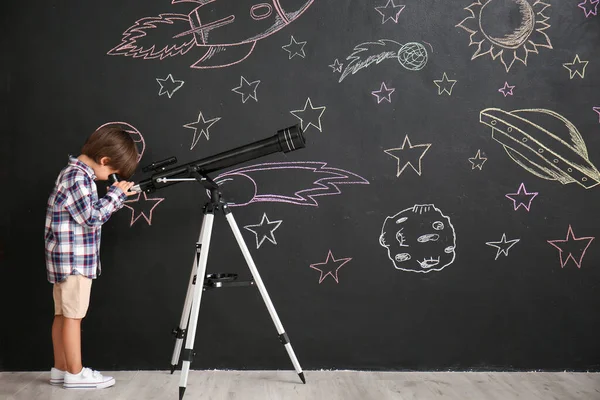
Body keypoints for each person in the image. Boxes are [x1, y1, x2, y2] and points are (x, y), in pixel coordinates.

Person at [44, 126, 138, 389]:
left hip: (66, 259)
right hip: (74, 262)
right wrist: (116, 195)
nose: (108, 179)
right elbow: (92, 217)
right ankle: (75, 373)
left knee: (63, 315)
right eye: (110, 173)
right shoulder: (78, 177)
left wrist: (113, 196)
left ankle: (60, 369)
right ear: (105, 160)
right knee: (74, 316)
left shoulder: (72, 174)